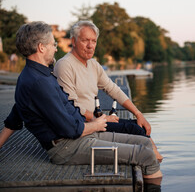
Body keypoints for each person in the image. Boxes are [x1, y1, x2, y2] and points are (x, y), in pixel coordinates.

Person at [0, 21, 162, 180]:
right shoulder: (39, 81)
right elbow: (70, 129)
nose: (56, 48)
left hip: (81, 135)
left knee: (144, 143)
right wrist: (97, 124)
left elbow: (16, 113)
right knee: (146, 155)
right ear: (41, 47)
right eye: (53, 44)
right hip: (67, 147)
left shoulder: (39, 75)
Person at [53, 20, 163, 162]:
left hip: (96, 120)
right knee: (137, 131)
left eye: (93, 41)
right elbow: (70, 106)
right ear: (73, 41)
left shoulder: (93, 64)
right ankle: (154, 166)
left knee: (137, 124)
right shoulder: (65, 65)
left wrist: (138, 113)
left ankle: (155, 162)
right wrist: (102, 119)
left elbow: (113, 89)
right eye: (85, 40)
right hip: (82, 126)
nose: (90, 45)